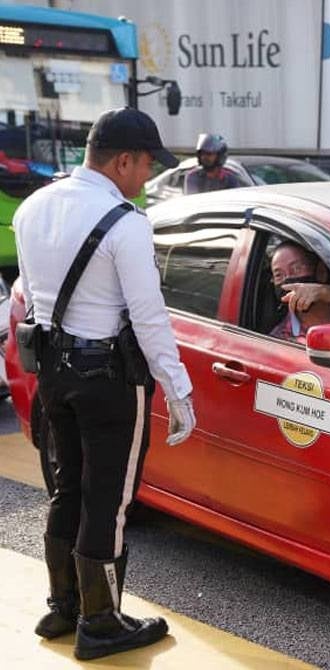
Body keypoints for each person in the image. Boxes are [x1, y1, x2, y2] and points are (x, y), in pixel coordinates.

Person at [13, 108, 196, 660]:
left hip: (53, 373)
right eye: (145, 165)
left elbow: (35, 295)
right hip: (109, 379)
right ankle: (103, 623)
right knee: (107, 501)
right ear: (122, 160)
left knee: (68, 487)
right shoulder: (126, 222)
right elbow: (148, 316)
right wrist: (180, 388)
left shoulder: (32, 207)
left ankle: (63, 606)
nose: (147, 178)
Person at [269, 241, 330, 343]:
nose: (288, 280)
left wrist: (324, 292)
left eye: (296, 268)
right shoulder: (280, 339)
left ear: (321, 272)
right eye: (279, 275)